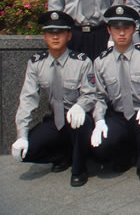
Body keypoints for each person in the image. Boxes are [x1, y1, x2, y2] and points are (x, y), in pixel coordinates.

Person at [11, 11, 95, 187]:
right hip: (54, 119)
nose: (55, 37)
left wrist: (81, 106)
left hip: (76, 116)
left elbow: (90, 94)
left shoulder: (82, 62)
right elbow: (28, 99)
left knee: (82, 124)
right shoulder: (36, 63)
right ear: (44, 36)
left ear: (69, 35)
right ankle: (63, 155)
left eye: (60, 32)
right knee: (25, 152)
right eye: (50, 33)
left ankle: (79, 169)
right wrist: (22, 135)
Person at [91, 5, 140, 184]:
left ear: (134, 29)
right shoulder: (101, 61)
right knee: (101, 146)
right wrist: (99, 120)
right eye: (117, 28)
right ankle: (123, 156)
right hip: (118, 115)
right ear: (109, 30)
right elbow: (99, 96)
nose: (122, 33)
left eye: (126, 28)